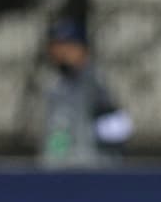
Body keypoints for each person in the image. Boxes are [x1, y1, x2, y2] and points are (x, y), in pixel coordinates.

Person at [39, 18, 133, 166]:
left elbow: (119, 130)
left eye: (67, 47)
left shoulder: (96, 84)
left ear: (81, 49)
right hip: (62, 174)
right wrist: (53, 161)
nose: (61, 53)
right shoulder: (58, 88)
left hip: (92, 173)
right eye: (56, 47)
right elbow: (58, 136)